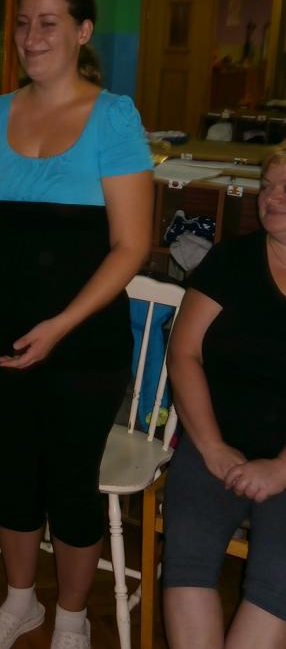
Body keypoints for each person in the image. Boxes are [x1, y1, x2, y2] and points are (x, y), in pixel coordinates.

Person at [0, 0, 153, 649]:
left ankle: (72, 617)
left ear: (83, 31)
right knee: (12, 471)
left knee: (71, 482)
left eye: (49, 22)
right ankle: (22, 601)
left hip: (82, 336)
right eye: (24, 23)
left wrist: (61, 325)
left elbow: (132, 245)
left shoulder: (113, 117)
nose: (31, 36)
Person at [162, 148, 286, 649]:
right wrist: (212, 446)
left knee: (278, 577)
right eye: (269, 185)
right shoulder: (232, 259)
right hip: (215, 438)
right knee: (187, 559)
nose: (274, 196)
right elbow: (184, 353)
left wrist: (281, 468)